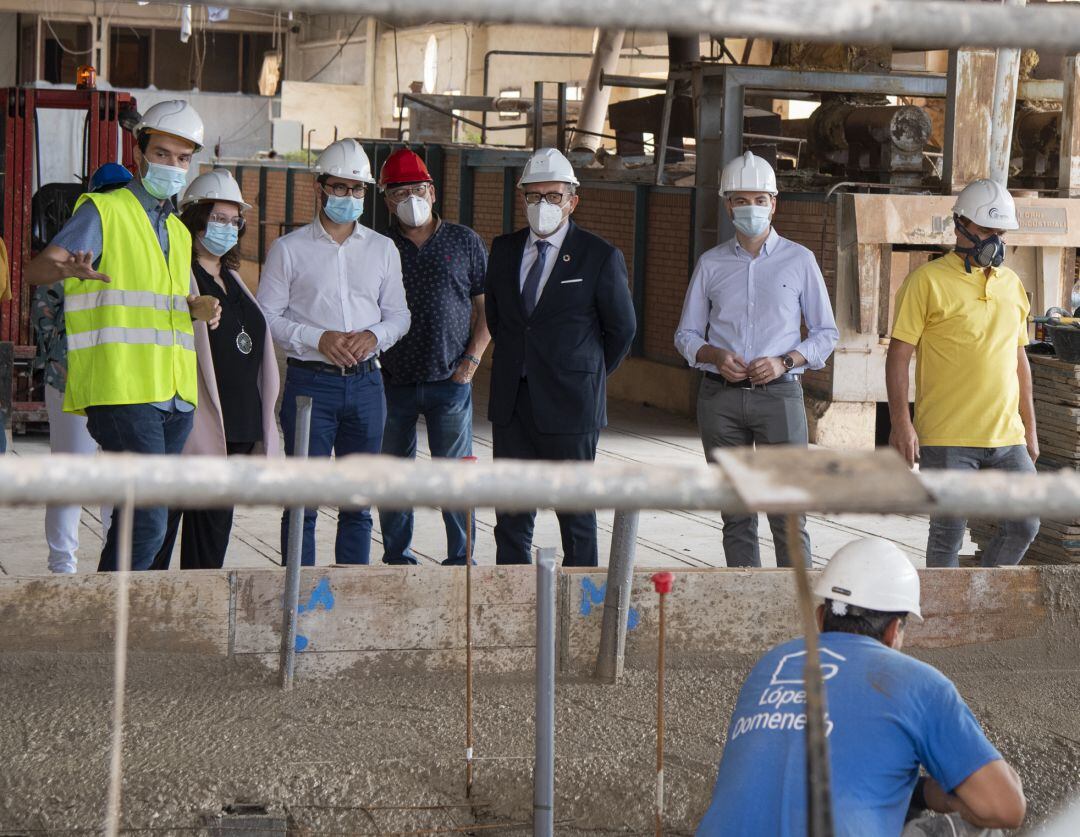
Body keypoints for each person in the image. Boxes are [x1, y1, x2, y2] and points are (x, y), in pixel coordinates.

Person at [695, 537, 1027, 836]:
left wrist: (922, 792)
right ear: (893, 630)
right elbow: (1006, 808)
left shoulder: (771, 665)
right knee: (978, 828)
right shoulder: (917, 683)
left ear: (821, 617)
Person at [24, 99, 222, 572]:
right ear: (140, 153)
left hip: (173, 395)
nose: (173, 166)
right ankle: (111, 617)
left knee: (141, 520)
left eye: (182, 158)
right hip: (121, 389)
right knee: (149, 519)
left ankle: (110, 615)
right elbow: (35, 270)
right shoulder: (103, 209)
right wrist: (67, 266)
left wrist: (196, 307)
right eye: (163, 154)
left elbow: (159, 301)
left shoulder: (176, 230)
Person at [674, 151, 838, 569]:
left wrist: (787, 360)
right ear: (728, 206)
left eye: (759, 199)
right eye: (741, 200)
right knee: (736, 514)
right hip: (720, 399)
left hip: (779, 397)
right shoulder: (711, 265)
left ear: (774, 203)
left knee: (787, 514)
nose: (751, 208)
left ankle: (794, 606)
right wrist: (712, 354)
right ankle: (748, 600)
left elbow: (826, 333)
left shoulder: (799, 261)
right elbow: (686, 335)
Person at [257, 138, 410, 566]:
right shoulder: (288, 249)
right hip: (310, 386)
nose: (348, 197)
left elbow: (400, 315)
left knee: (357, 502)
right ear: (318, 189)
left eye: (357, 189)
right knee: (303, 502)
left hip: (366, 385)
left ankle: (349, 598)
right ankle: (298, 599)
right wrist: (316, 338)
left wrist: (375, 336)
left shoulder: (382, 249)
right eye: (339, 188)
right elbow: (266, 316)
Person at [485, 147, 636, 567]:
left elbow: (621, 330)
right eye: (533, 196)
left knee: (576, 517)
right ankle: (512, 602)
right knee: (511, 516)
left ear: (573, 200)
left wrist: (585, 373)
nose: (542, 205)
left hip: (572, 406)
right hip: (512, 404)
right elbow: (501, 320)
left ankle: (582, 608)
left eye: (553, 196)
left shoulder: (599, 255)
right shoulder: (503, 250)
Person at [887, 179, 1039, 567]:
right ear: (960, 226)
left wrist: (1030, 430)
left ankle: (979, 596)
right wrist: (901, 424)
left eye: (1001, 234)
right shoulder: (926, 281)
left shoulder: (1012, 285)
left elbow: (1020, 362)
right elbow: (899, 357)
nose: (996, 242)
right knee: (947, 538)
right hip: (948, 436)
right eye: (987, 232)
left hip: (1007, 436)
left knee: (1025, 524)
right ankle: (942, 621)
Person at [154, 168, 280, 570]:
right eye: (217, 219)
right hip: (190, 432)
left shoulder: (231, 277)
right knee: (158, 536)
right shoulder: (176, 274)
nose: (227, 227)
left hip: (234, 434)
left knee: (208, 551)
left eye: (233, 221)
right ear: (195, 220)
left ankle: (194, 625)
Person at [376, 149, 490, 566]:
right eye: (399, 192)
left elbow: (486, 308)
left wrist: (472, 359)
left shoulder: (465, 241)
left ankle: (462, 558)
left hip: (451, 381)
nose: (411, 199)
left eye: (418, 189)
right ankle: (396, 557)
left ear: (433, 191)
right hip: (391, 380)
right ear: (386, 199)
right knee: (392, 477)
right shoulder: (378, 245)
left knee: (455, 476)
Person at [31, 163, 129, 573]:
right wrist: (62, 366)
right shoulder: (67, 258)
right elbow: (46, 316)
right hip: (72, 381)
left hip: (118, 380)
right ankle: (63, 568)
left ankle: (111, 565)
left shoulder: (131, 254)